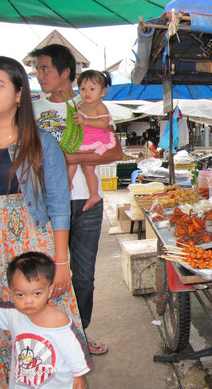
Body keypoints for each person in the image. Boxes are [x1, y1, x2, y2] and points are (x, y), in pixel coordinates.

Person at [30, 44, 123, 355]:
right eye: (36, 69)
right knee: (44, 277)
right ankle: (50, 339)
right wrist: (67, 157)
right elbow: (29, 155)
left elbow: (115, 150)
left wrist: (63, 156)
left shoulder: (90, 105)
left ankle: (79, 336)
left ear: (64, 72)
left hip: (86, 203)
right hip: (44, 205)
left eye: (44, 68)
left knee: (83, 278)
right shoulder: (32, 109)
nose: (38, 74)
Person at [0, 56, 87, 387]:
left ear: (20, 93)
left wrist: (61, 260)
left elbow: (58, 204)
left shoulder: (41, 143)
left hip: (34, 245)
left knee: (44, 329)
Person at [2, 252, 91, 389]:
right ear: (11, 293)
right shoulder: (12, 314)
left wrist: (79, 375)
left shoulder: (58, 320)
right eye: (20, 295)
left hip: (57, 384)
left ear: (49, 292)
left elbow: (74, 350)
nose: (28, 301)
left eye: (37, 293)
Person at [68, 70, 116, 211]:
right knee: (78, 163)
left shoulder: (100, 106)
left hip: (97, 139)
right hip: (84, 138)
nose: (86, 92)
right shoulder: (81, 105)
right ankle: (69, 184)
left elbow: (103, 123)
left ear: (102, 92)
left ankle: (93, 194)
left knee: (80, 162)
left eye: (92, 89)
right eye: (83, 89)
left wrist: (85, 120)